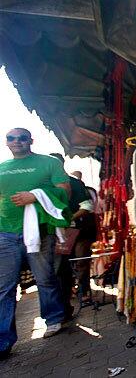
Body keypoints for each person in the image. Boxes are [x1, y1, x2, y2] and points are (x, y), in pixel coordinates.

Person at [0, 128, 72, 359]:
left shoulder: (48, 163)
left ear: (31, 141)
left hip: (40, 231)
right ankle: (3, 340)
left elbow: (64, 192)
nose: (17, 141)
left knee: (45, 278)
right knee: (5, 289)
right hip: (5, 233)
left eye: (22, 138)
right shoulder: (1, 168)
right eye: (12, 138)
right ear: (6, 142)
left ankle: (53, 318)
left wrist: (35, 195)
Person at [50, 154, 96, 318]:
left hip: (80, 230)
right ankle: (65, 303)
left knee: (81, 260)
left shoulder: (74, 183)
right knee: (61, 268)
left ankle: (84, 292)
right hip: (56, 233)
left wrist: (68, 219)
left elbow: (87, 205)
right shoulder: (44, 184)